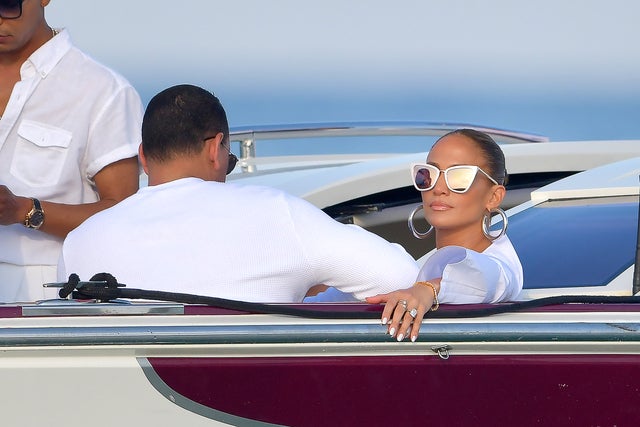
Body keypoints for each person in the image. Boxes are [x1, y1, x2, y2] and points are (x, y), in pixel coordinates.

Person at [58, 84, 419, 302]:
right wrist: (315, 277)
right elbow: (399, 277)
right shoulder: (277, 214)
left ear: (142, 158)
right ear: (216, 148)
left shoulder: (79, 240)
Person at [0, 0, 143, 302]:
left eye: (8, 4)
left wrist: (25, 210)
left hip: (49, 292)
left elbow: (124, 215)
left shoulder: (103, 91)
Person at [366, 129, 523, 342]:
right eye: (428, 174)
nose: (438, 188)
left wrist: (429, 290)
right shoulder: (416, 269)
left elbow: (491, 280)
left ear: (494, 197)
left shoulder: (503, 267)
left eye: (458, 177)